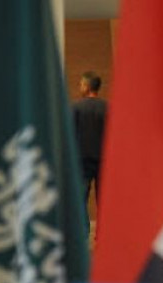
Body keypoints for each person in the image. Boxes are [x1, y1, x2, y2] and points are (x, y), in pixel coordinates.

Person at [72, 71, 107, 235]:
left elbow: (70, 134)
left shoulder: (76, 107)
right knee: (104, 199)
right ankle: (103, 233)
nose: (80, 87)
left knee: (80, 199)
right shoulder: (108, 108)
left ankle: (83, 231)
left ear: (86, 86)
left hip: (81, 160)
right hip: (104, 161)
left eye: (81, 84)